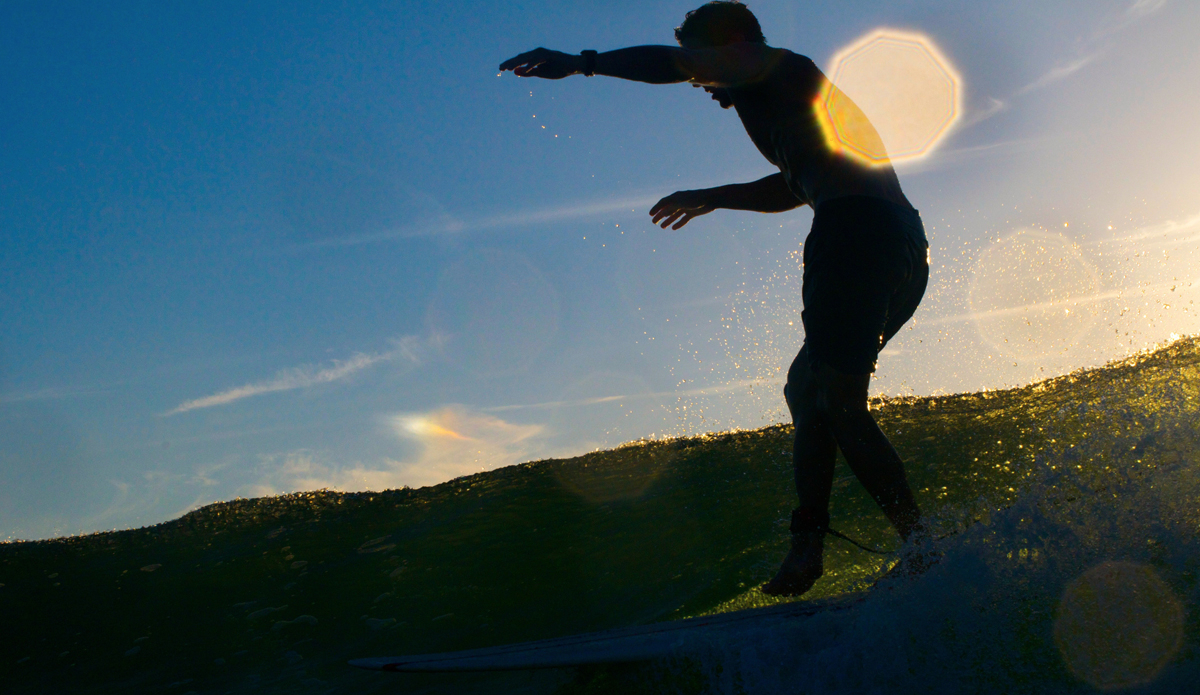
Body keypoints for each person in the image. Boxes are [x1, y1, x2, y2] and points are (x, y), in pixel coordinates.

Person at [500, 1, 930, 597]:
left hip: (855, 231)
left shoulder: (769, 64)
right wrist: (715, 195)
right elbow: (797, 183)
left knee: (836, 401)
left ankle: (918, 547)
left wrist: (582, 62)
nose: (700, 84)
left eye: (702, 65)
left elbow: (674, 65)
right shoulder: (784, 97)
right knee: (809, 390)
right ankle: (812, 545)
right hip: (900, 240)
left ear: (728, 46)